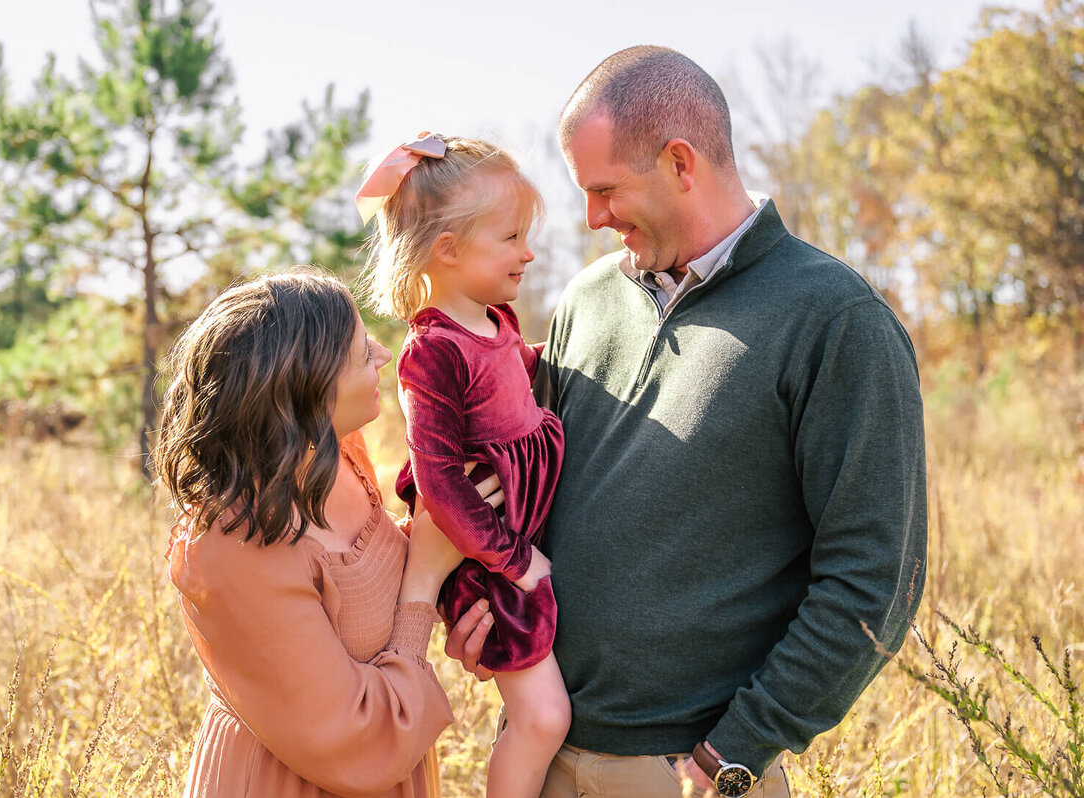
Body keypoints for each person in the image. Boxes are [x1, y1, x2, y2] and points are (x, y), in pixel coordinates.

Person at [447, 45, 928, 798]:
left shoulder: (836, 320)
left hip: (685, 776)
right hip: (539, 755)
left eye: (604, 189)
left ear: (680, 163)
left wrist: (736, 752)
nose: (591, 218)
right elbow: (529, 495)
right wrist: (488, 606)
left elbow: (875, 579)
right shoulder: (585, 300)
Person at [154, 268, 502, 797]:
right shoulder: (231, 545)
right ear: (306, 389)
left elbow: (366, 586)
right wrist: (424, 587)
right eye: (363, 353)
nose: (385, 355)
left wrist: (462, 584)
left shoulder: (333, 456)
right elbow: (351, 739)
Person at [356, 133, 571, 797]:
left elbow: (511, 379)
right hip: (484, 561)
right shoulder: (432, 353)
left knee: (546, 713)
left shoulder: (493, 320)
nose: (528, 252)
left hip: (513, 542)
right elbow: (442, 483)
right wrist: (512, 557)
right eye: (509, 238)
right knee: (542, 720)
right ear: (447, 250)